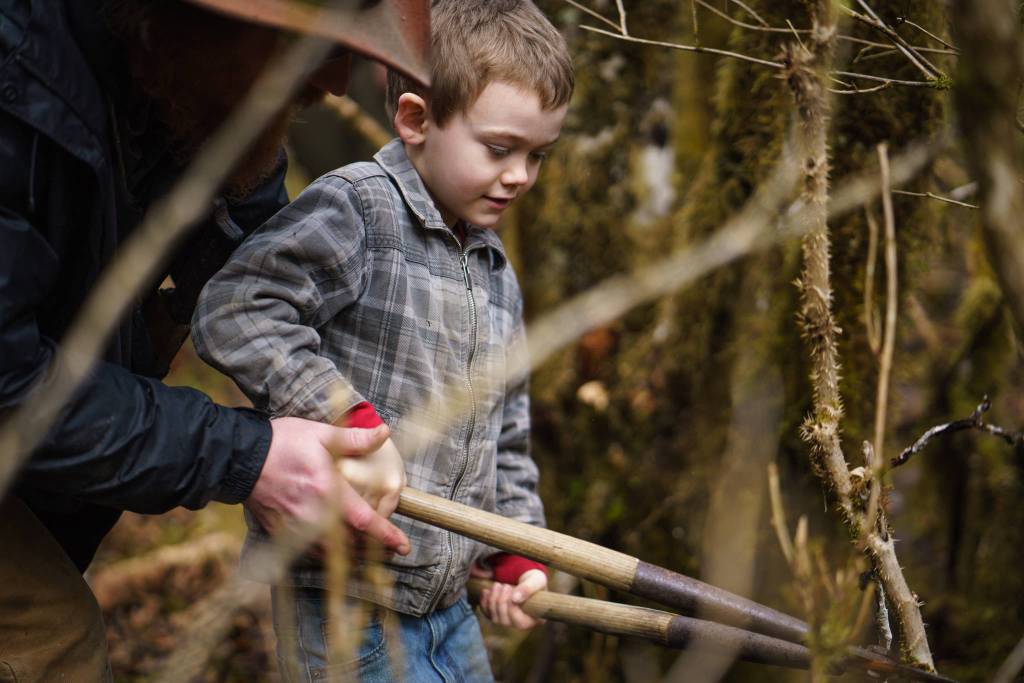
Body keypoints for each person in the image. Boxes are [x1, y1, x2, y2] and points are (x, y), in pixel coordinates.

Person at [0, 0, 429, 680]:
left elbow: (252, 263)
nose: (338, 83)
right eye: (312, 44)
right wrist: (248, 456)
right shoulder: (18, 68)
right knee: (49, 643)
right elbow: (8, 382)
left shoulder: (182, 78)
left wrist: (351, 410)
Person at [190, 0, 574, 678]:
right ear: (417, 119)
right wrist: (344, 414)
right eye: (499, 149)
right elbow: (238, 307)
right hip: (344, 592)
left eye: (537, 155)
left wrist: (516, 549)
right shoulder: (359, 208)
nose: (520, 175)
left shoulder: (495, 273)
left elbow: (505, 433)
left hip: (450, 604)